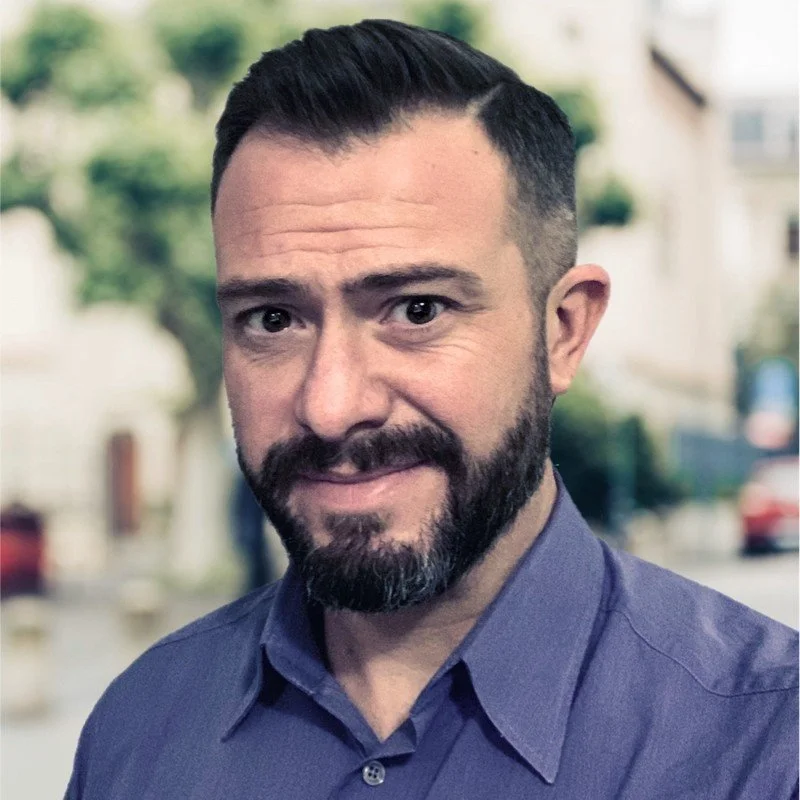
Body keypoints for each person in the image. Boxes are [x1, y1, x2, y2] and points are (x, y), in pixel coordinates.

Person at [66, 19, 798, 799]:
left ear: (564, 330)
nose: (331, 405)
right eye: (273, 319)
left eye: (417, 310)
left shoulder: (763, 744)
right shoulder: (138, 731)